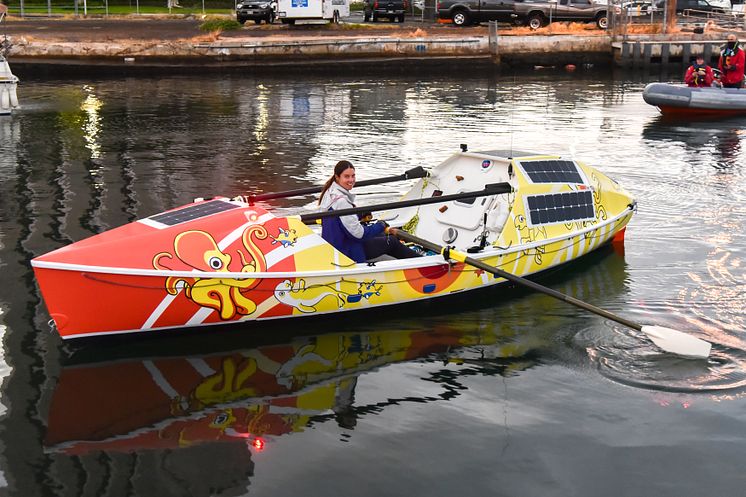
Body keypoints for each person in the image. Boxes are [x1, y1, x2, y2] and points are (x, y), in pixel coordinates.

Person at [318, 160, 420, 263]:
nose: (351, 180)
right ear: (337, 177)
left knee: (382, 235)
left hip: (335, 246)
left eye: (353, 176)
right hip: (348, 251)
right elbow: (359, 234)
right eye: (347, 176)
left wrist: (359, 214)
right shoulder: (342, 202)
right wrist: (381, 225)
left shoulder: (329, 192)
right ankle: (421, 262)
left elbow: (340, 220)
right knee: (392, 241)